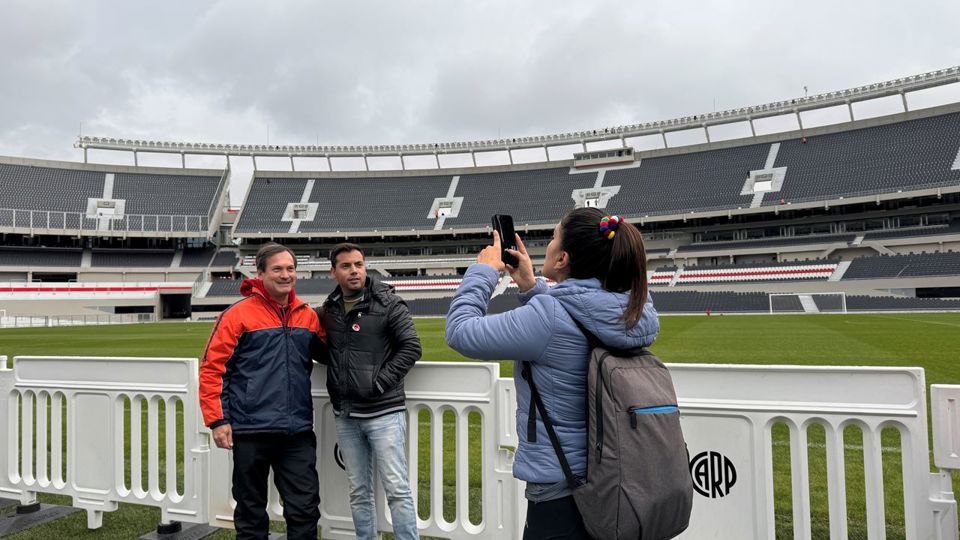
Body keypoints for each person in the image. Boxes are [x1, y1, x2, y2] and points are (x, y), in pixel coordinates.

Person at [445, 208, 660, 540]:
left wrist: (482, 271)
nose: (546, 245)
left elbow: (460, 332)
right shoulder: (635, 308)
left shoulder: (548, 316)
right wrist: (533, 287)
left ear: (562, 260)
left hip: (562, 487)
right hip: (619, 477)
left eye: (553, 238)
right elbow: (578, 318)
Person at [199, 242, 324, 540]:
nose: (285, 275)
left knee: (305, 509)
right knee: (251, 509)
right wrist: (218, 420)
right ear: (261, 273)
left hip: (296, 431)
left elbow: (336, 352)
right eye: (278, 269)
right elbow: (212, 368)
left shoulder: (308, 316)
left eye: (290, 269)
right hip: (250, 428)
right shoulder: (237, 315)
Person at [316, 243, 421, 540]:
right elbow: (332, 353)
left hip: (384, 413)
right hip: (345, 414)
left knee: (397, 489)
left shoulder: (389, 303)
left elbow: (411, 347)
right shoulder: (329, 310)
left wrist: (378, 383)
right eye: (347, 266)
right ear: (333, 271)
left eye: (359, 264)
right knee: (358, 490)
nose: (354, 271)